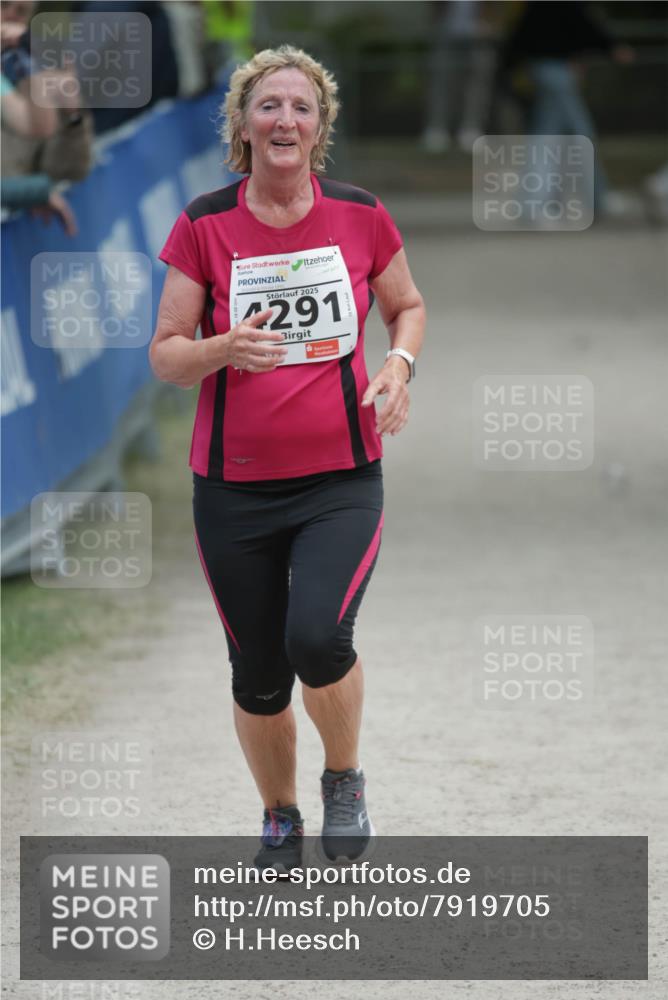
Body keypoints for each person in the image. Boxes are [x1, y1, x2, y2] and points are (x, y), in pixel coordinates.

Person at [150, 45, 425, 871]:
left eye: (301, 107)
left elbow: (406, 305)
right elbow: (165, 354)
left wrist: (397, 365)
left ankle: (344, 780)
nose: (285, 120)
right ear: (242, 125)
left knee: (317, 638)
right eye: (268, 105)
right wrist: (221, 347)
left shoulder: (359, 213)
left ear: (319, 127)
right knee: (258, 671)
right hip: (232, 488)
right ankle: (279, 815)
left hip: (341, 476)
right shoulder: (204, 223)